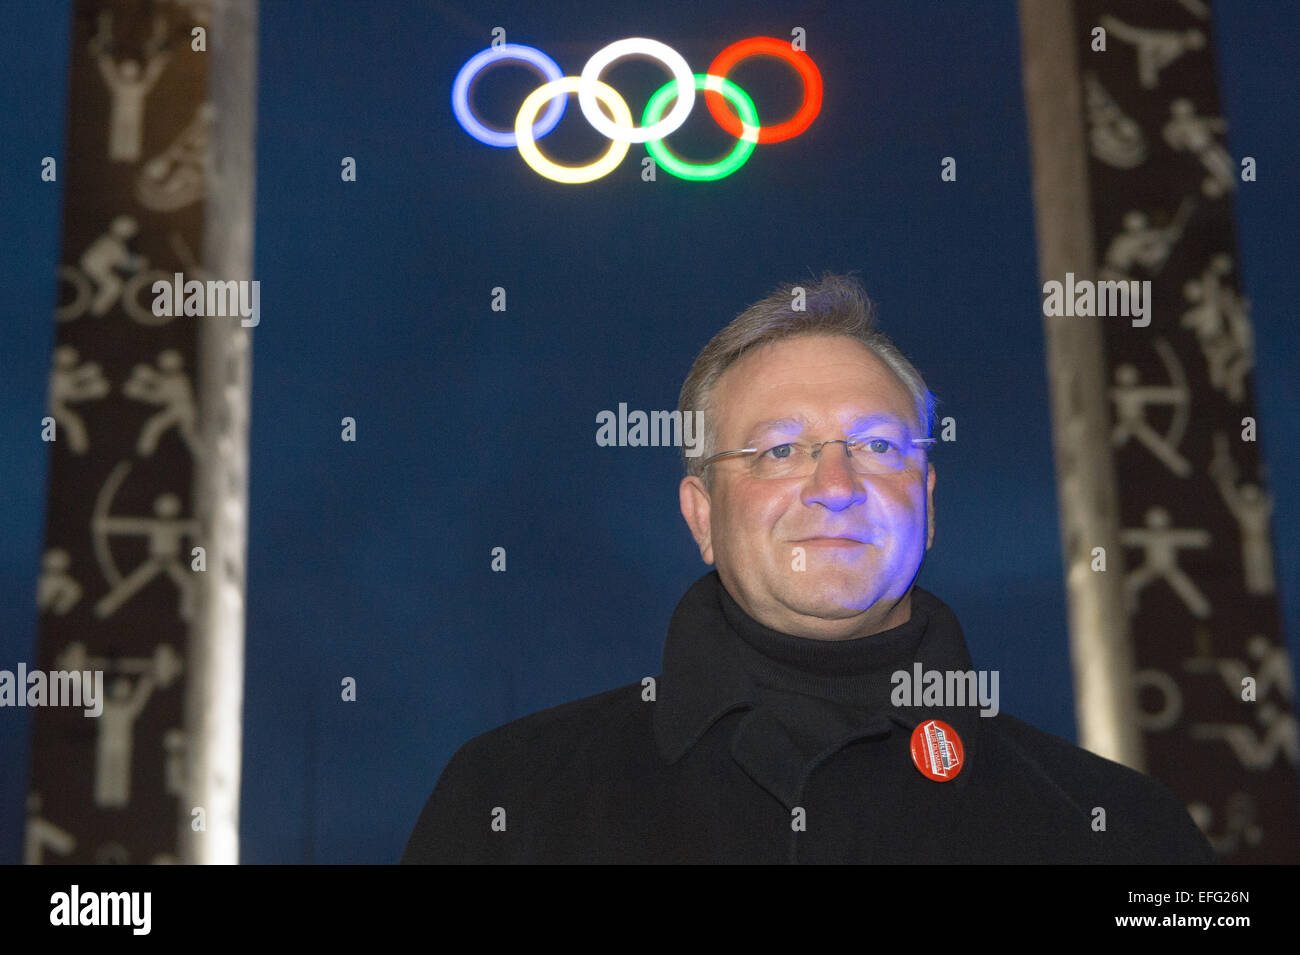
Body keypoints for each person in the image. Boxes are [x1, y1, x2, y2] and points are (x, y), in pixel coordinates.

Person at [401, 273, 1216, 864]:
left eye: (877, 446)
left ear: (927, 499)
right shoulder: (511, 799)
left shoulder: (1123, 829)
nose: (836, 486)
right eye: (780, 448)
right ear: (701, 515)